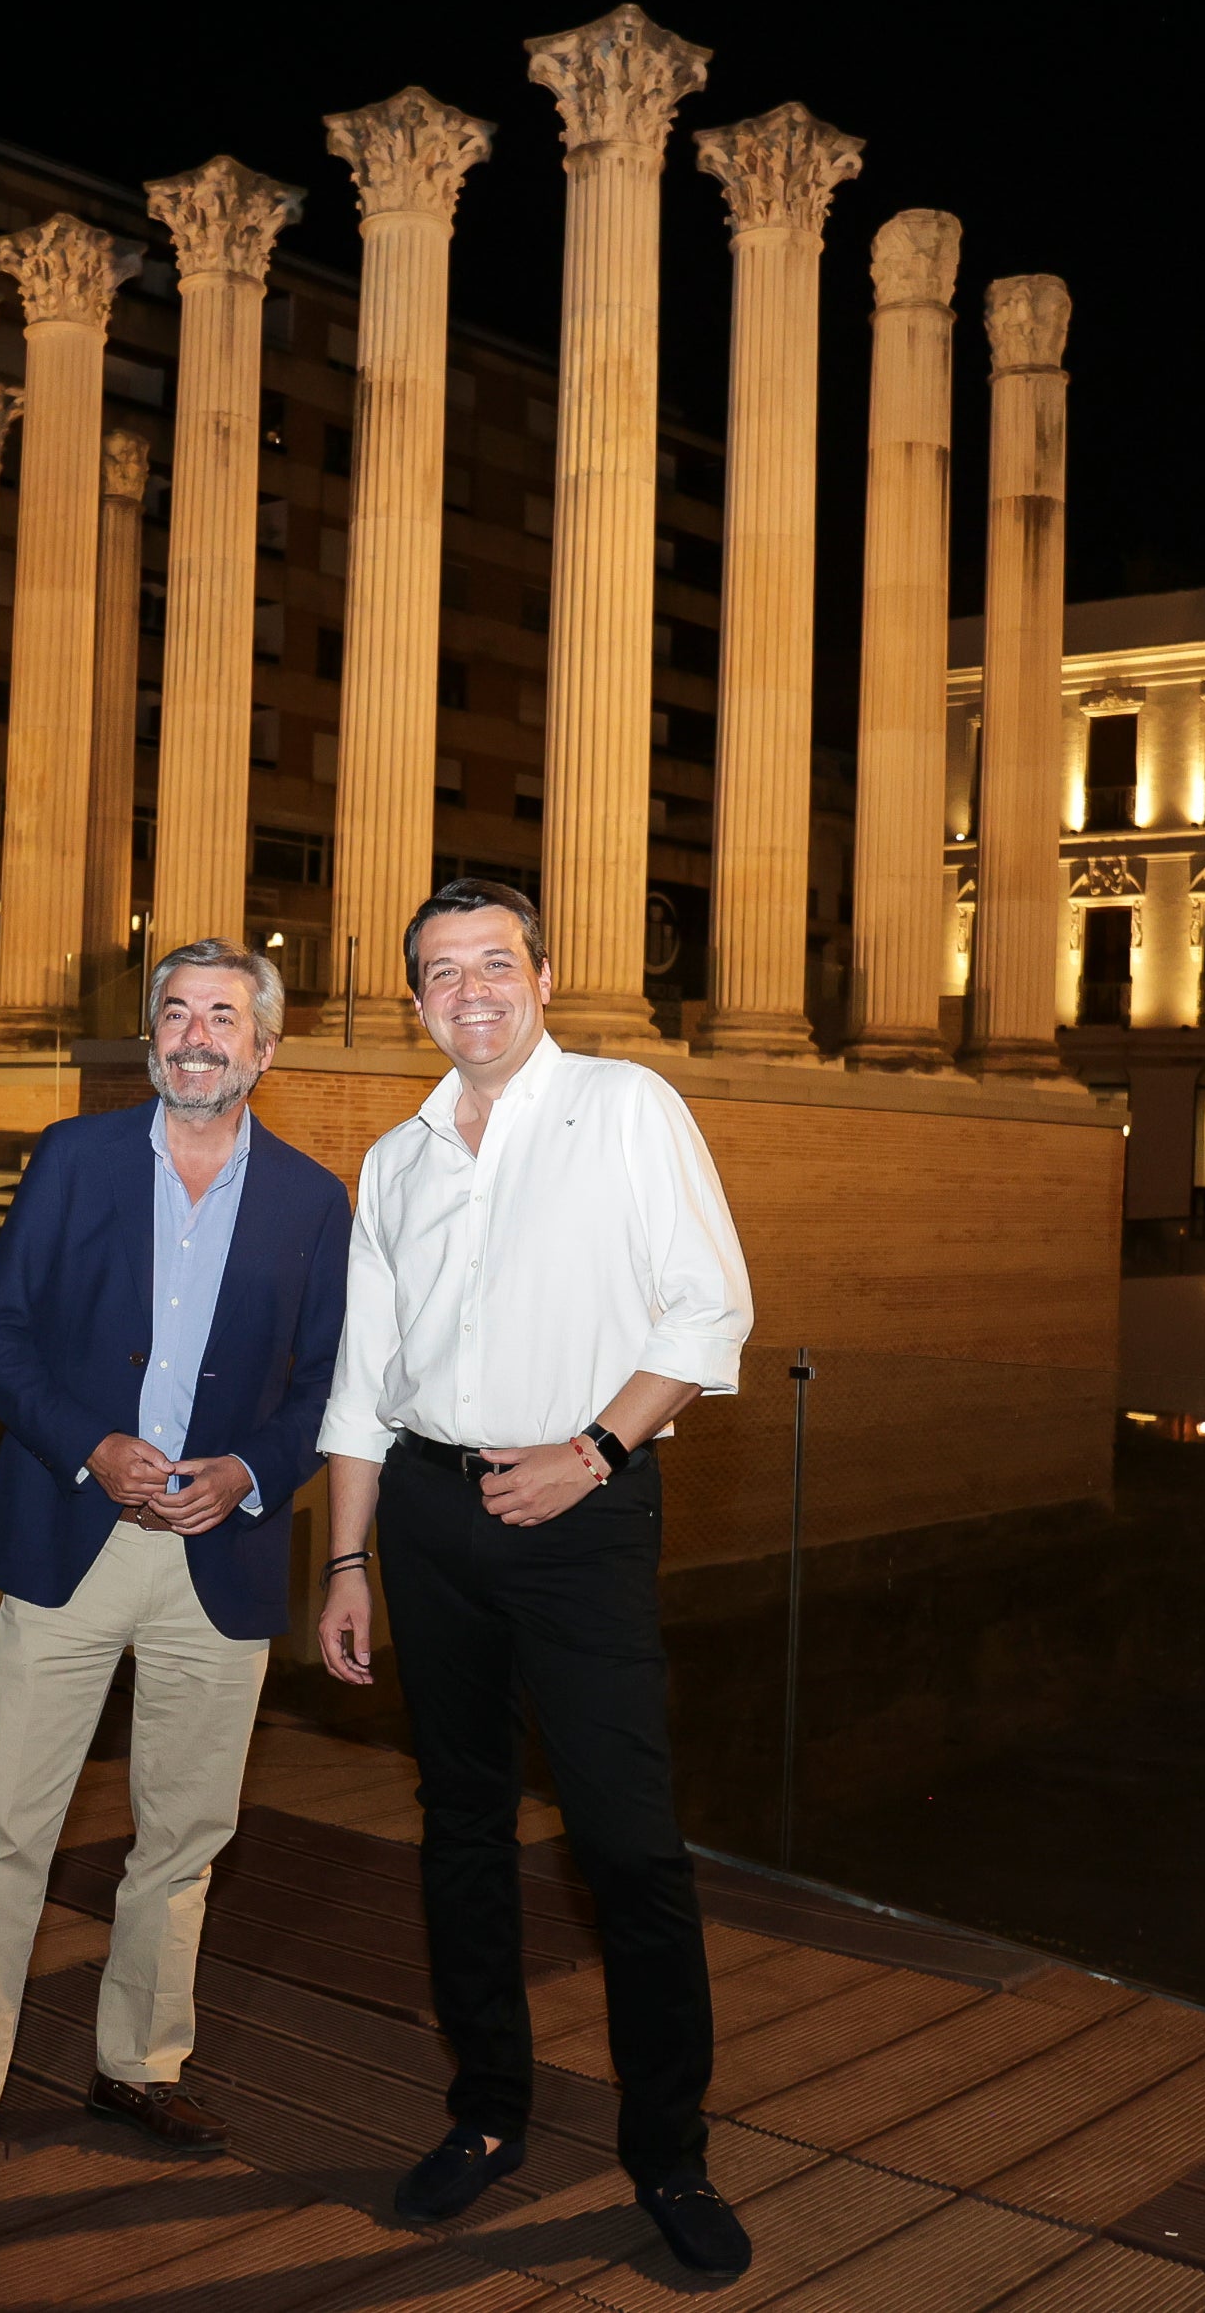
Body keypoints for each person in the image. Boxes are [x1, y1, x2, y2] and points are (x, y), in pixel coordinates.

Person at [312, 879, 758, 2278]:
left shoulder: (626, 1108)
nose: (471, 991)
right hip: (430, 1524)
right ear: (416, 1002)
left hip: (579, 1513)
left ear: (544, 977)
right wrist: (343, 1557)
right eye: (441, 973)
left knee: (626, 1843)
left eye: (493, 964)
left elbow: (711, 1308)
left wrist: (594, 1451)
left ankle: (669, 2154)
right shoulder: (394, 1160)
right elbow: (360, 1383)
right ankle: (487, 2115)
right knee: (459, 1831)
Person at [0, 941, 351, 2194]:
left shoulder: (312, 1200)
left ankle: (138, 2063)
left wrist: (249, 1470)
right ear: (152, 1040)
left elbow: (325, 1390)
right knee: (5, 1825)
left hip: (221, 1558)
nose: (196, 1034)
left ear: (265, 1046)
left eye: (222, 1016)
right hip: (72, 1538)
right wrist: (92, 1446)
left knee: (183, 1834)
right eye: (176, 1012)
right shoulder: (74, 1160)